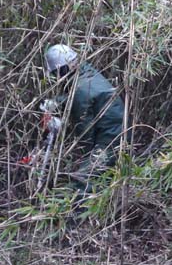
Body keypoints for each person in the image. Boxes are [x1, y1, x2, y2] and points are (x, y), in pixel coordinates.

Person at [43, 44, 125, 193]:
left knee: (83, 178)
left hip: (111, 140)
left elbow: (85, 132)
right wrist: (57, 102)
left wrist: (85, 157)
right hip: (115, 131)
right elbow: (85, 97)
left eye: (56, 73)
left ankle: (78, 213)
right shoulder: (88, 73)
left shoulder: (81, 89)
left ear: (62, 70)